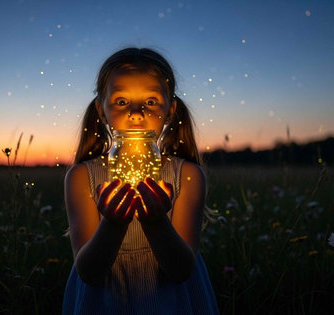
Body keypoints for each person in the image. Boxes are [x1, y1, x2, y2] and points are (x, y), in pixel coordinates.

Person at [63, 47, 219, 314]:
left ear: (170, 111)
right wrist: (113, 223)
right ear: (101, 111)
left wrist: (155, 221)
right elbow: (88, 272)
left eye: (151, 101)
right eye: (122, 102)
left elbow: (181, 270)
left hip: (172, 303)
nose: (136, 113)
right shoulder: (82, 177)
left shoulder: (187, 175)